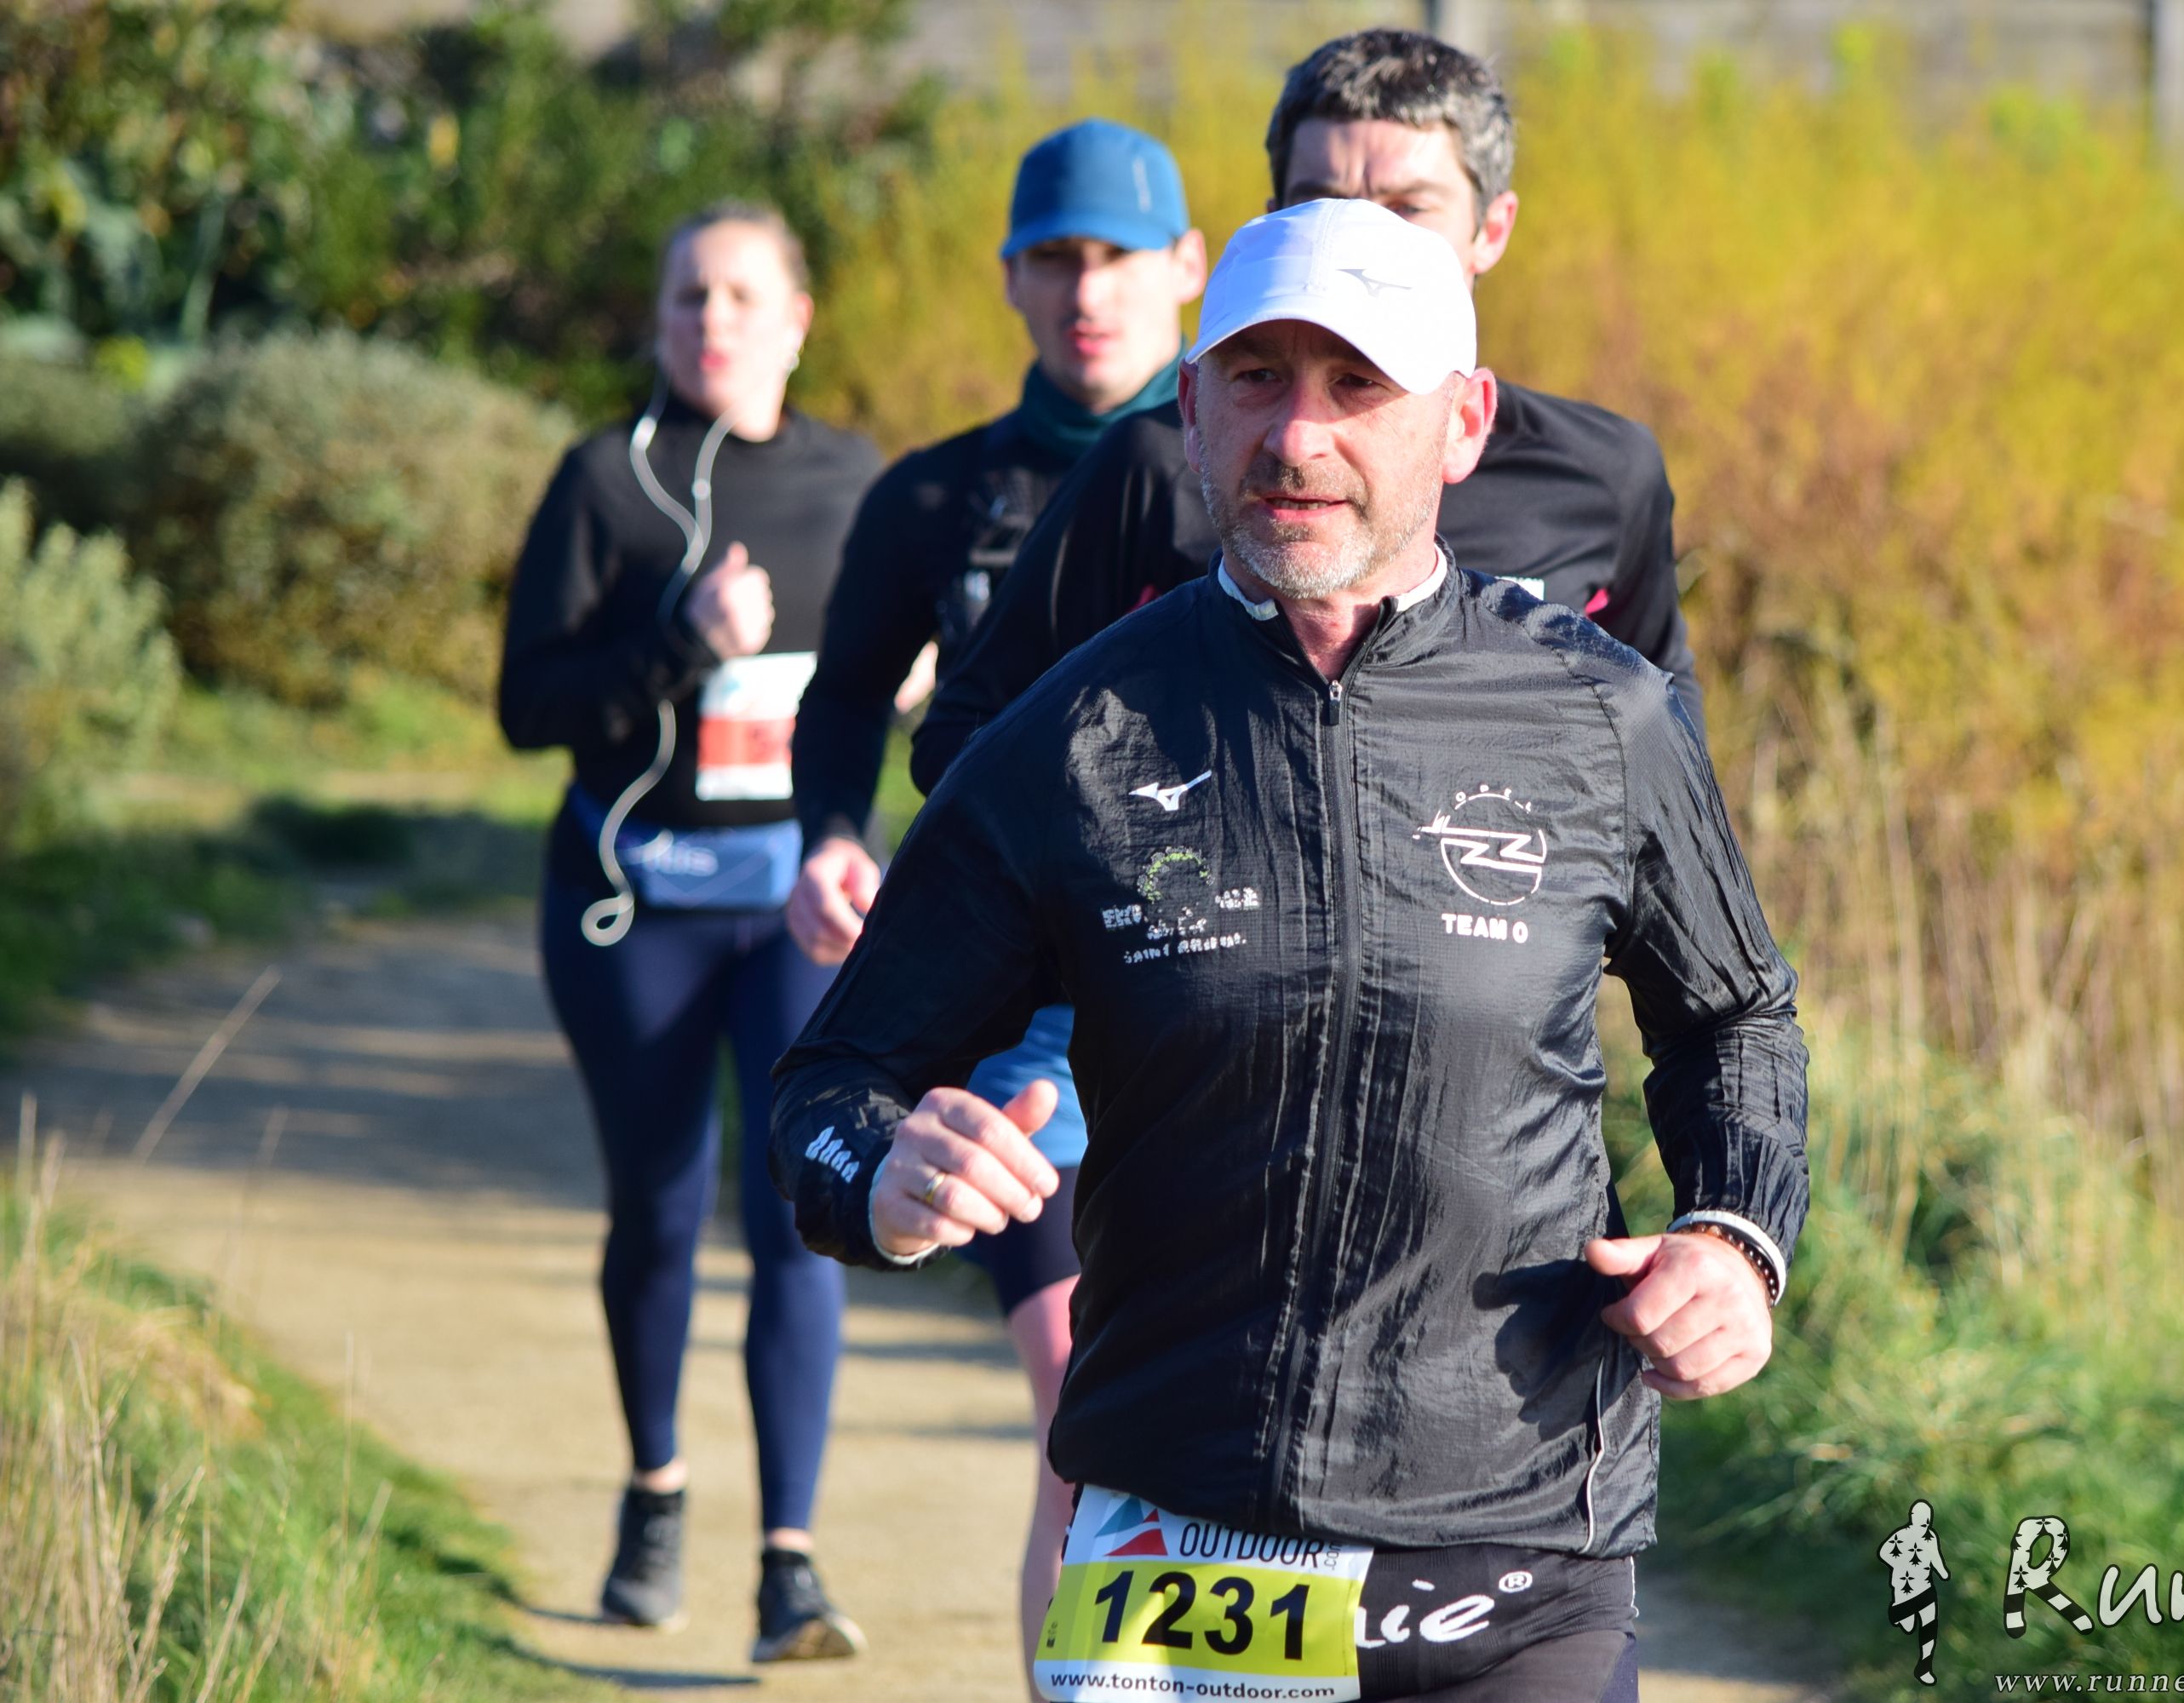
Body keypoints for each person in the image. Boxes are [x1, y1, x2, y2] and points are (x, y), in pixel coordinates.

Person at [771, 198, 1809, 1702]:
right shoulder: (1075, 734)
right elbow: (832, 1080)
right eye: (1258, 380)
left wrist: (1735, 1236)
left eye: (1356, 385)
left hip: (1522, 1554)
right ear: (1191, 412)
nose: (1298, 436)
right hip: (1172, 1550)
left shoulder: (1600, 715)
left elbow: (1736, 1018)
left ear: (1463, 424)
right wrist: (882, 1171)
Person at [782, 118, 1206, 1671]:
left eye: (1119, 258)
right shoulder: (935, 496)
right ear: (1013, 278)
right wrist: (830, 834)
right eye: (1056, 259)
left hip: (1221, 1005)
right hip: (1027, 1019)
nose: (1088, 291)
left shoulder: (1267, 479)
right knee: (1079, 1398)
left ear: (1188, 267)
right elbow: (846, 698)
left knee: (1196, 1430)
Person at [909, 27, 1705, 800]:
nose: (1356, 239)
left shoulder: (1602, 474)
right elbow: (973, 737)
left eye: (1407, 208)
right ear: (1272, 221)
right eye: (1321, 203)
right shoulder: (1160, 464)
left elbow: (1662, 744)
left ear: (1491, 229)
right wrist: (1148, 850)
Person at [498, 202, 880, 1663]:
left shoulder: (858, 485)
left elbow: (922, 666)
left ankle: (791, 1566)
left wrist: (904, 679)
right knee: (657, 1206)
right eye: (684, 298)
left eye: (738, 296)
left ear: (797, 320)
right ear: (658, 323)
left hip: (797, 910)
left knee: (800, 1213)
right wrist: (680, 638)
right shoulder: (608, 481)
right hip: (633, 905)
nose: (709, 320)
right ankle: (655, 1490)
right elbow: (527, 705)